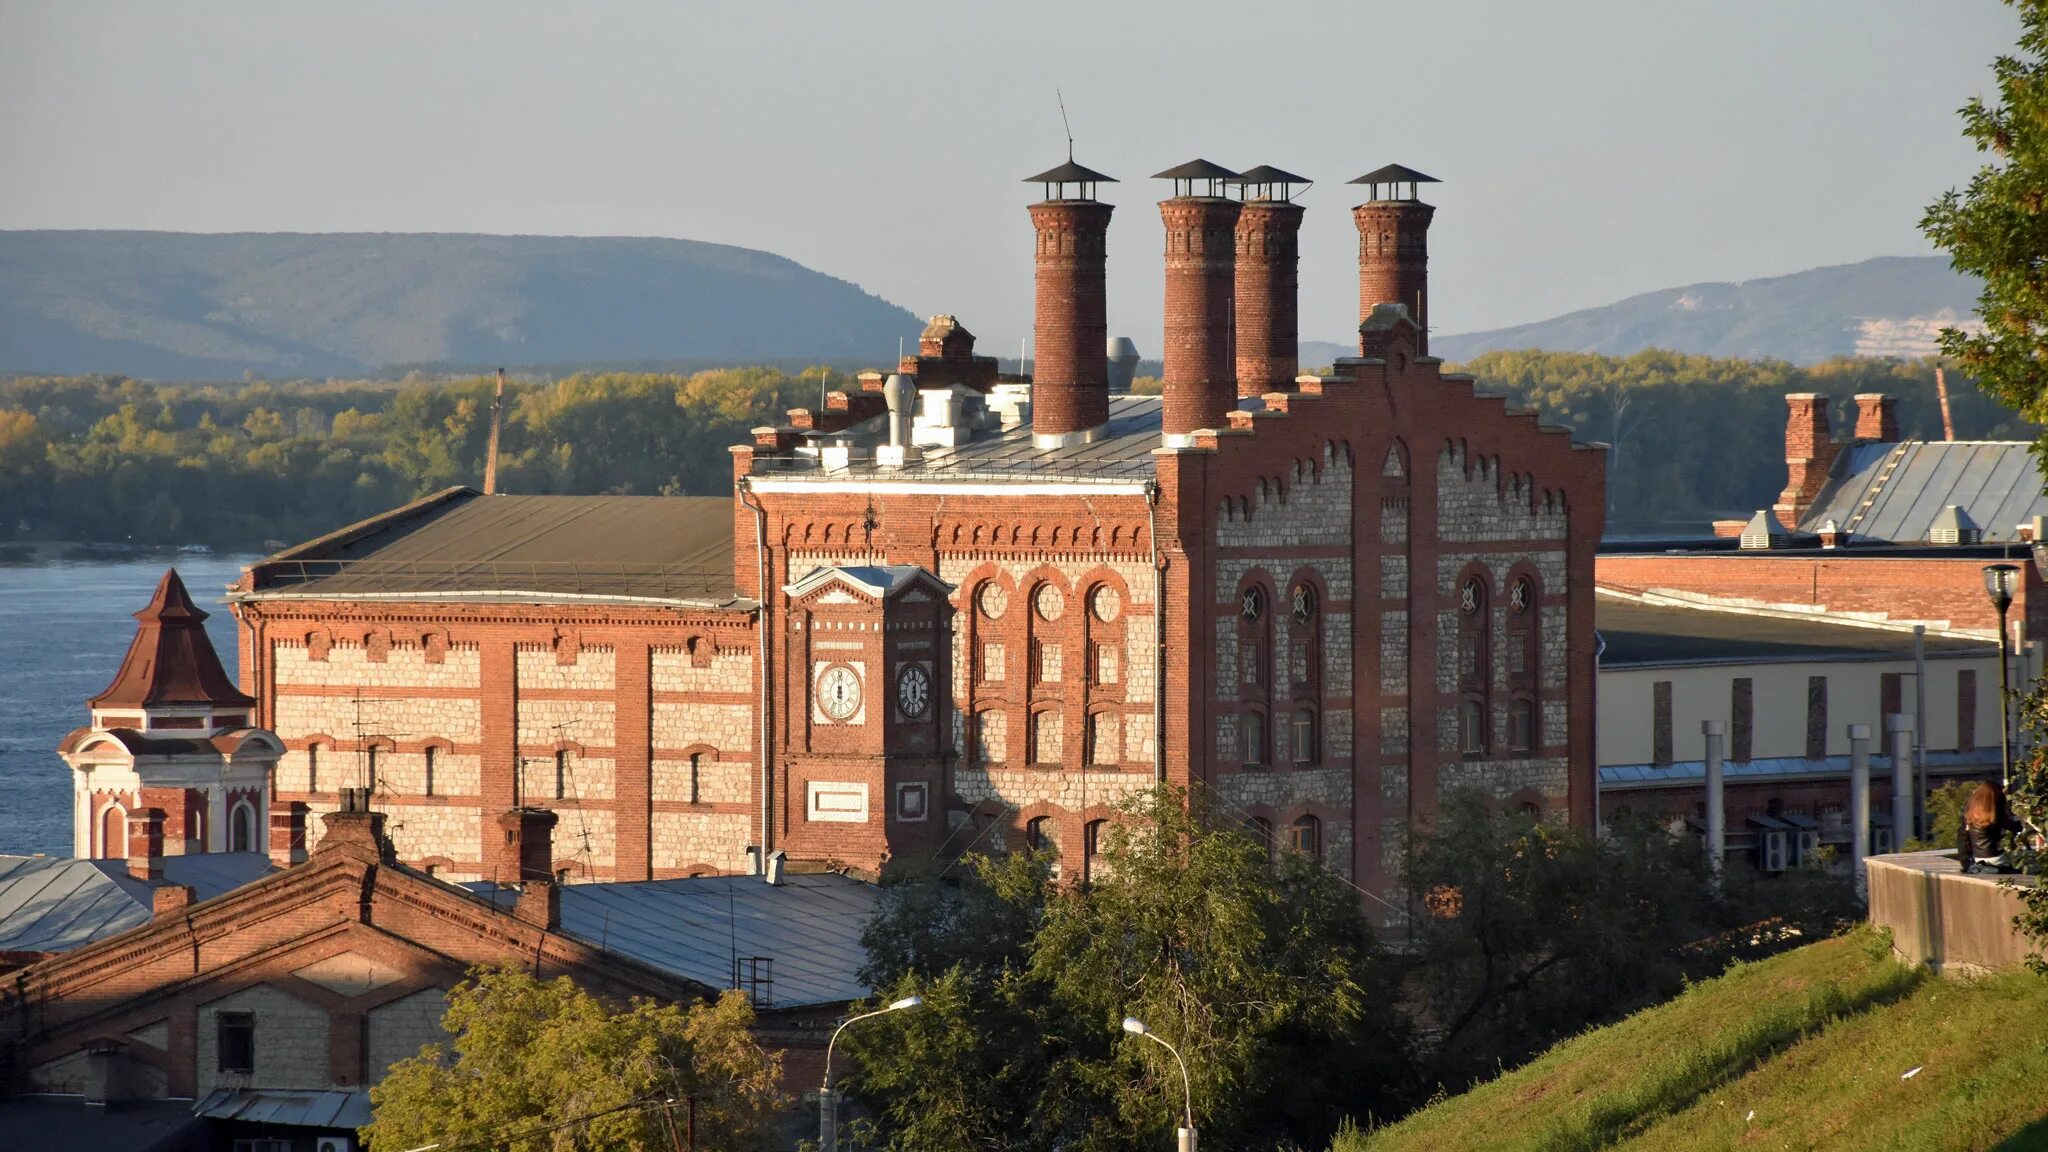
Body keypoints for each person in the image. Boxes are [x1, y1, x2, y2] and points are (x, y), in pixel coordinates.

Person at [1958, 780, 2023, 874]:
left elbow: (1963, 837)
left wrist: (1965, 863)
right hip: (1998, 857)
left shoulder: (1971, 813)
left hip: (1978, 858)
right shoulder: (1996, 812)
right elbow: (2014, 827)